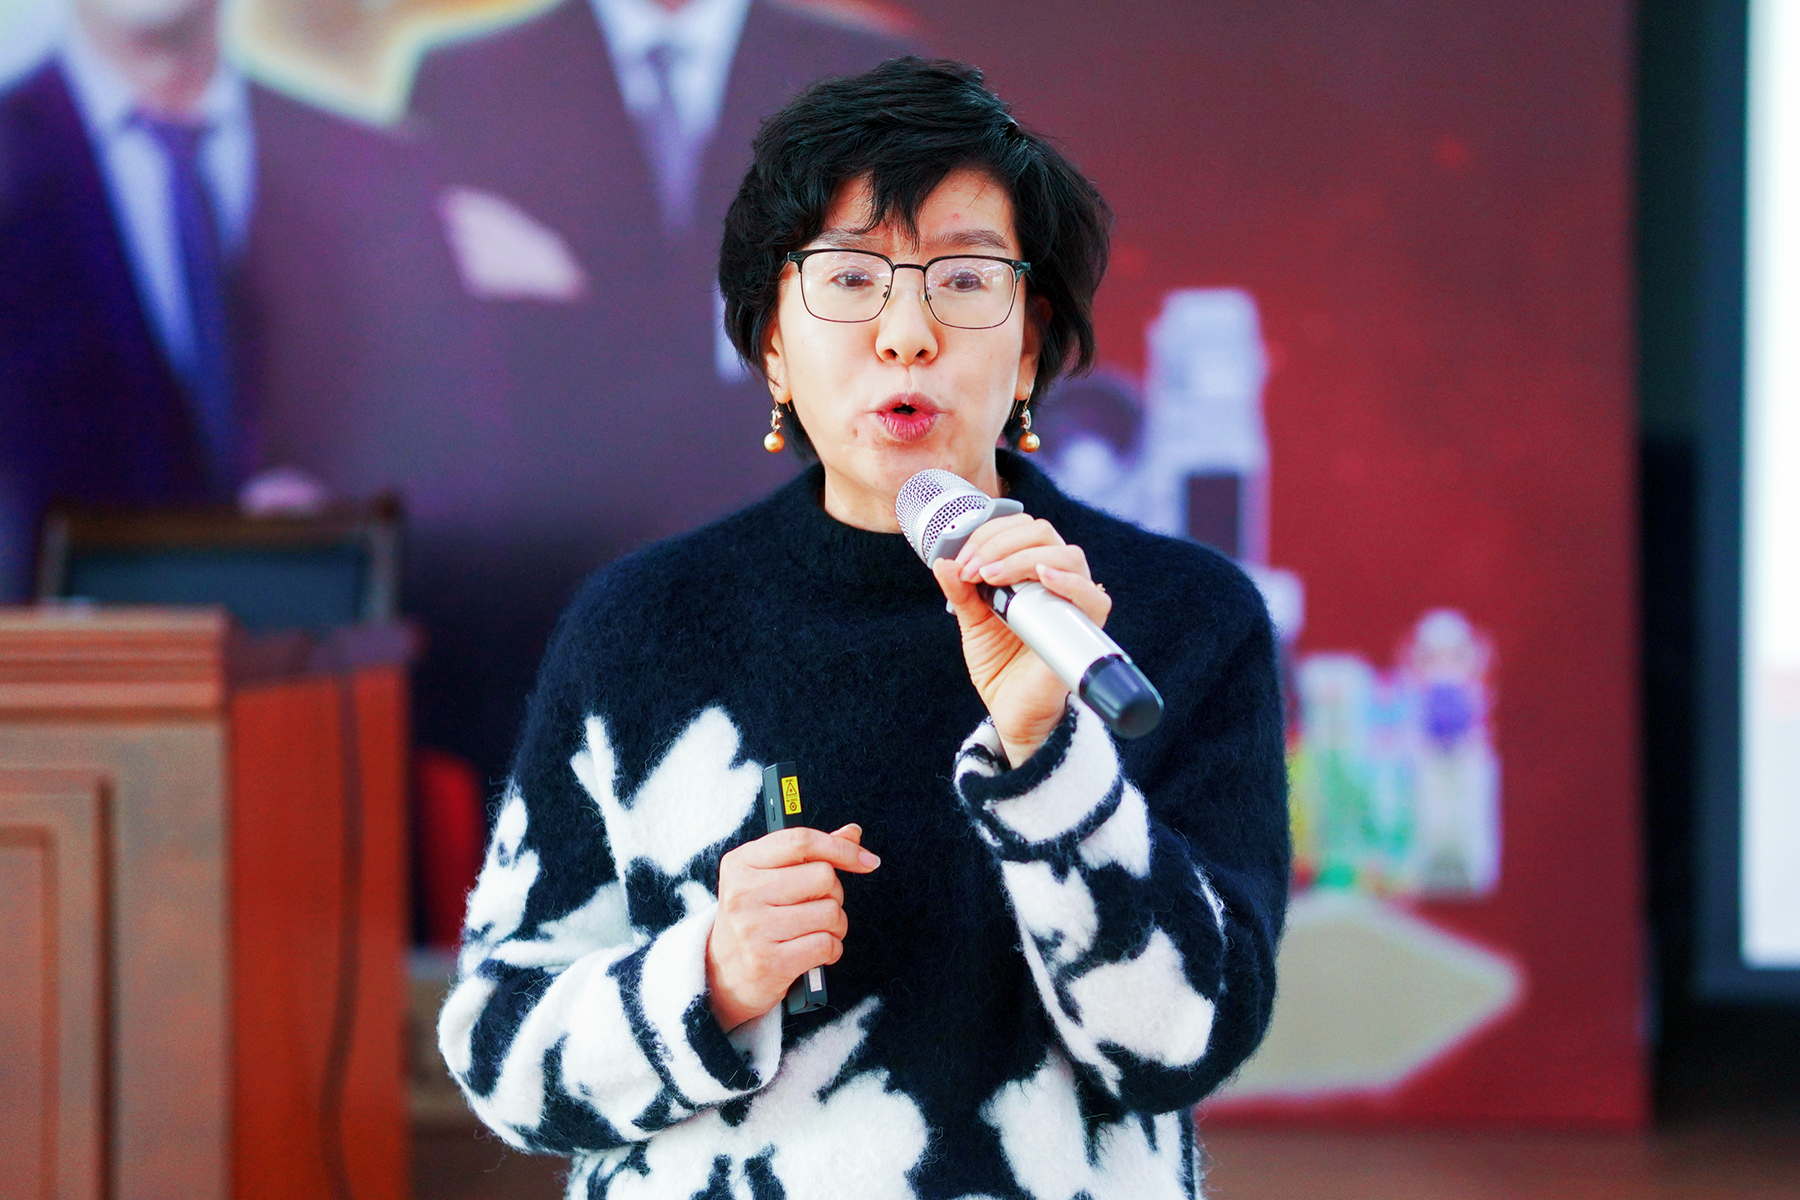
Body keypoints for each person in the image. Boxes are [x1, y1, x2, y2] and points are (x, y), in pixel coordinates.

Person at [438, 58, 1288, 1199]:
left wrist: (1050, 757)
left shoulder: (1177, 619)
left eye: (965, 279)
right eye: (849, 277)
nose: (907, 333)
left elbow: (1186, 1044)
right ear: (771, 345)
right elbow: (501, 1054)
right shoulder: (641, 625)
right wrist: (711, 977)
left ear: (1030, 343)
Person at [0, 0, 447, 600]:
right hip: (53, 647)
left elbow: (454, 454)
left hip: (318, 635)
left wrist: (351, 512)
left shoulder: (381, 172)